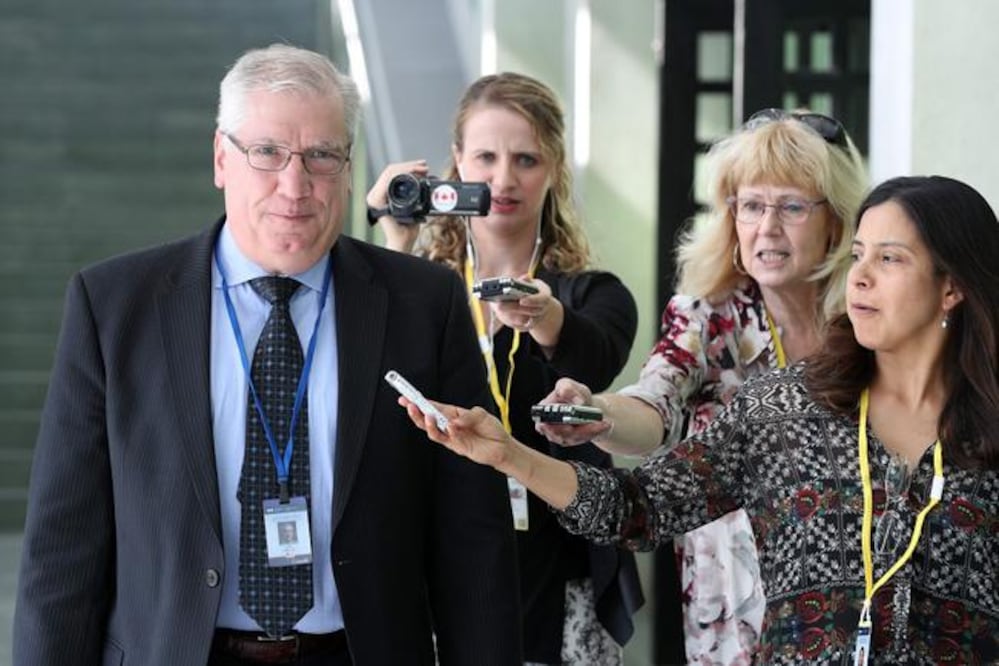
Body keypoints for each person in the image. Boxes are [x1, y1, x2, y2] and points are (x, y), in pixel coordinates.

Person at [13, 43, 521, 666]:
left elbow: (473, 538)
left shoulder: (424, 303)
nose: (295, 186)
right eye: (267, 152)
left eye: (321, 156)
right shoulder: (115, 307)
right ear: (221, 158)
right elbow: (63, 550)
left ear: (349, 167)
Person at [400, 174, 999, 664]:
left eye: (890, 259)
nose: (861, 276)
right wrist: (509, 454)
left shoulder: (990, 432)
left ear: (952, 287)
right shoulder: (784, 408)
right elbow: (636, 509)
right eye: (860, 254)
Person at [538, 108, 867, 663]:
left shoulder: (863, 321)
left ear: (834, 220)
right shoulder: (708, 317)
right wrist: (598, 412)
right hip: (738, 617)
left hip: (852, 600)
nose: (768, 227)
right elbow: (655, 402)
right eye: (752, 206)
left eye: (791, 206)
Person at [367, 72, 643, 665]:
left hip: (558, 576)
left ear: (555, 169)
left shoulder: (592, 292)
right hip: (436, 570)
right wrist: (397, 243)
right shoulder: (423, 287)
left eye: (526, 159)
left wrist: (546, 316)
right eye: (486, 158)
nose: (503, 180)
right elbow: (370, 370)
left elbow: (595, 357)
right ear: (457, 163)